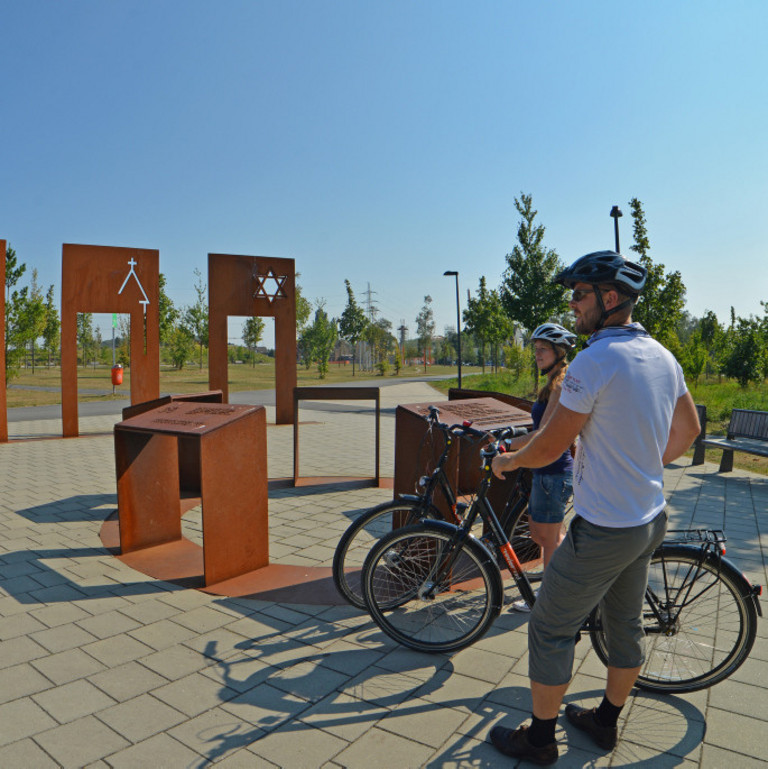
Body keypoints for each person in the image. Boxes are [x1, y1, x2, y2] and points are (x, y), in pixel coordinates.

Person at [489, 251, 701, 765]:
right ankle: (604, 723)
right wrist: (642, 463)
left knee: (549, 626)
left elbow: (550, 446)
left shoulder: (594, 360)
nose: (572, 304)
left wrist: (510, 462)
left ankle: (539, 740)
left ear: (610, 298)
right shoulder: (662, 355)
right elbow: (691, 431)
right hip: (648, 517)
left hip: (604, 527)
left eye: (580, 295)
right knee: (622, 625)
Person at [507, 323, 576, 611]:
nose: (537, 354)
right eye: (535, 349)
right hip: (544, 469)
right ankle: (566, 574)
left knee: (547, 539)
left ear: (559, 352)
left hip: (554, 470)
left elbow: (545, 433)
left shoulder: (560, 385)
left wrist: (509, 445)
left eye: (543, 349)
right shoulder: (551, 384)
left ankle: (547, 602)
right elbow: (538, 426)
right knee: (540, 534)